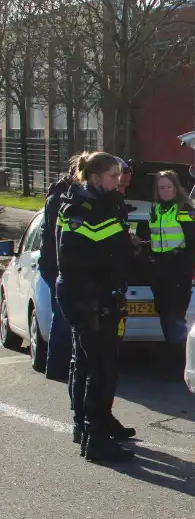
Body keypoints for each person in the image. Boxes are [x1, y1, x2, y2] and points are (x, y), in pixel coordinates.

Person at [55, 152, 137, 462]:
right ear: (94, 177)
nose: (119, 181)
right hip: (89, 297)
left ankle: (94, 431)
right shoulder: (83, 207)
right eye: (113, 176)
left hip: (97, 295)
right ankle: (94, 437)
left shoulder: (100, 203)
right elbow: (87, 252)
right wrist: (122, 242)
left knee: (97, 367)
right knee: (99, 369)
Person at [135, 170, 195, 380]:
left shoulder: (184, 209)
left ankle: (177, 364)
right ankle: (173, 362)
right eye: (161, 188)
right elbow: (148, 239)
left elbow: (192, 245)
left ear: (176, 187)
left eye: (168, 187)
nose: (165, 191)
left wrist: (183, 272)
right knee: (165, 316)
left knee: (175, 318)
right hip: (160, 271)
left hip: (178, 272)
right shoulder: (154, 211)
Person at [40, 154, 84, 381]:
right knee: (61, 316)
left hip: (57, 263)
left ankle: (59, 365)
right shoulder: (60, 197)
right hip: (55, 264)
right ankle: (56, 367)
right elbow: (58, 239)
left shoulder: (64, 193)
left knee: (64, 315)